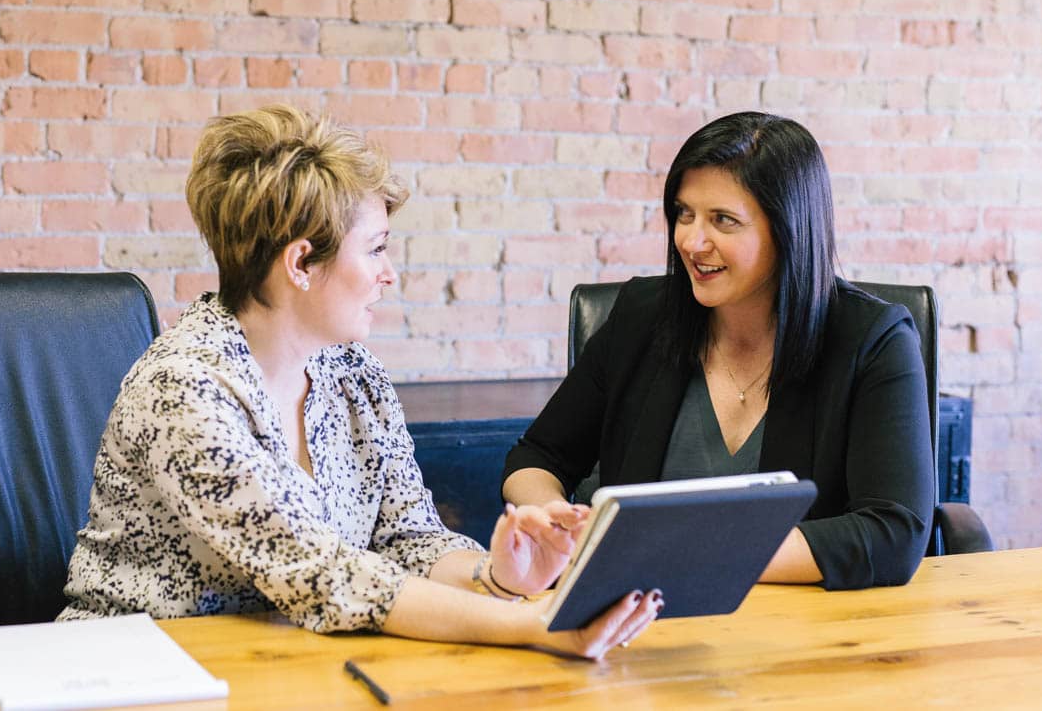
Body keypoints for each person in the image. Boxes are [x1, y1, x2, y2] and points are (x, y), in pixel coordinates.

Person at [59, 105, 659, 658]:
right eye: (375, 249)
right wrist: (533, 624)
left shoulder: (351, 372)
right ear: (300, 264)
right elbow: (322, 574)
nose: (389, 274)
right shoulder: (184, 389)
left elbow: (408, 538)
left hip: (289, 664)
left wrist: (498, 577)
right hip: (136, 672)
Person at [501, 111, 936, 590]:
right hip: (639, 622)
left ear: (788, 229)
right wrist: (551, 519)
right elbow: (537, 457)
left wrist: (680, 554)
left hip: (804, 630)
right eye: (684, 214)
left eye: (723, 221)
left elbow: (893, 533)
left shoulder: (874, 340)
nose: (691, 240)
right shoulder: (643, 317)